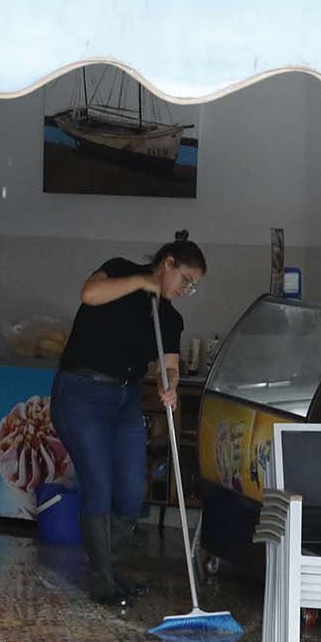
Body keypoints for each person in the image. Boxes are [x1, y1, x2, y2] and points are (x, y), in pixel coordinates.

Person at [54, 233, 205, 604]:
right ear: (168, 262)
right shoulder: (120, 270)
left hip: (126, 400)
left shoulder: (169, 317)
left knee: (131, 492)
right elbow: (89, 295)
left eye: (193, 286)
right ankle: (102, 578)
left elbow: (169, 365)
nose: (186, 289)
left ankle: (112, 567)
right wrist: (143, 282)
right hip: (81, 393)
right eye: (185, 279)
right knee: (99, 486)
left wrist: (170, 384)